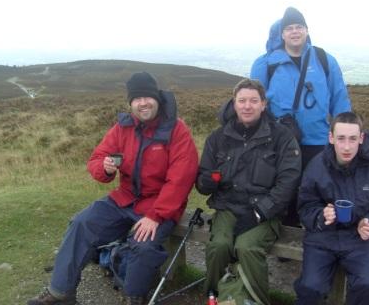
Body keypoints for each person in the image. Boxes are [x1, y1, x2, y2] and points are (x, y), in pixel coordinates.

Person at [27, 72, 199, 305]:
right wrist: (105, 168)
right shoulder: (123, 127)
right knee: (81, 224)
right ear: (130, 103)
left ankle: (134, 297)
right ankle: (61, 293)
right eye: (136, 99)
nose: (143, 103)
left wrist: (156, 216)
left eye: (147, 97)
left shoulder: (176, 130)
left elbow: (182, 178)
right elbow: (96, 159)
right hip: (125, 199)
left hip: (158, 205)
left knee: (144, 247)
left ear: (157, 98)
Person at [196, 79, 302, 305]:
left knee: (246, 247)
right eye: (242, 100)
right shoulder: (218, 137)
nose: (247, 106)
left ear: (264, 104)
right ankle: (213, 296)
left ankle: (256, 300)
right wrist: (207, 181)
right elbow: (202, 184)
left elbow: (288, 184)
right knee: (219, 246)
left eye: (254, 101)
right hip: (227, 209)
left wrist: (258, 214)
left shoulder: (282, 137)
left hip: (265, 213)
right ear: (234, 104)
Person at [250, 6, 352, 226]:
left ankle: (320, 231)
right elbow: (255, 101)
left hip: (317, 138)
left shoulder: (324, 60)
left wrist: (345, 133)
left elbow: (339, 97)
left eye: (299, 27)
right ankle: (287, 234)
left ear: (306, 30)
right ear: (282, 33)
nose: (295, 32)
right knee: (284, 186)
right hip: (280, 139)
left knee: (317, 186)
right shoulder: (265, 63)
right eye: (289, 28)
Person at [293, 112, 369, 305]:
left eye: (353, 139)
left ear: (361, 138)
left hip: (358, 240)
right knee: (310, 288)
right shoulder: (316, 166)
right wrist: (321, 215)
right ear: (331, 138)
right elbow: (304, 208)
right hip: (321, 238)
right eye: (341, 138)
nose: (347, 147)